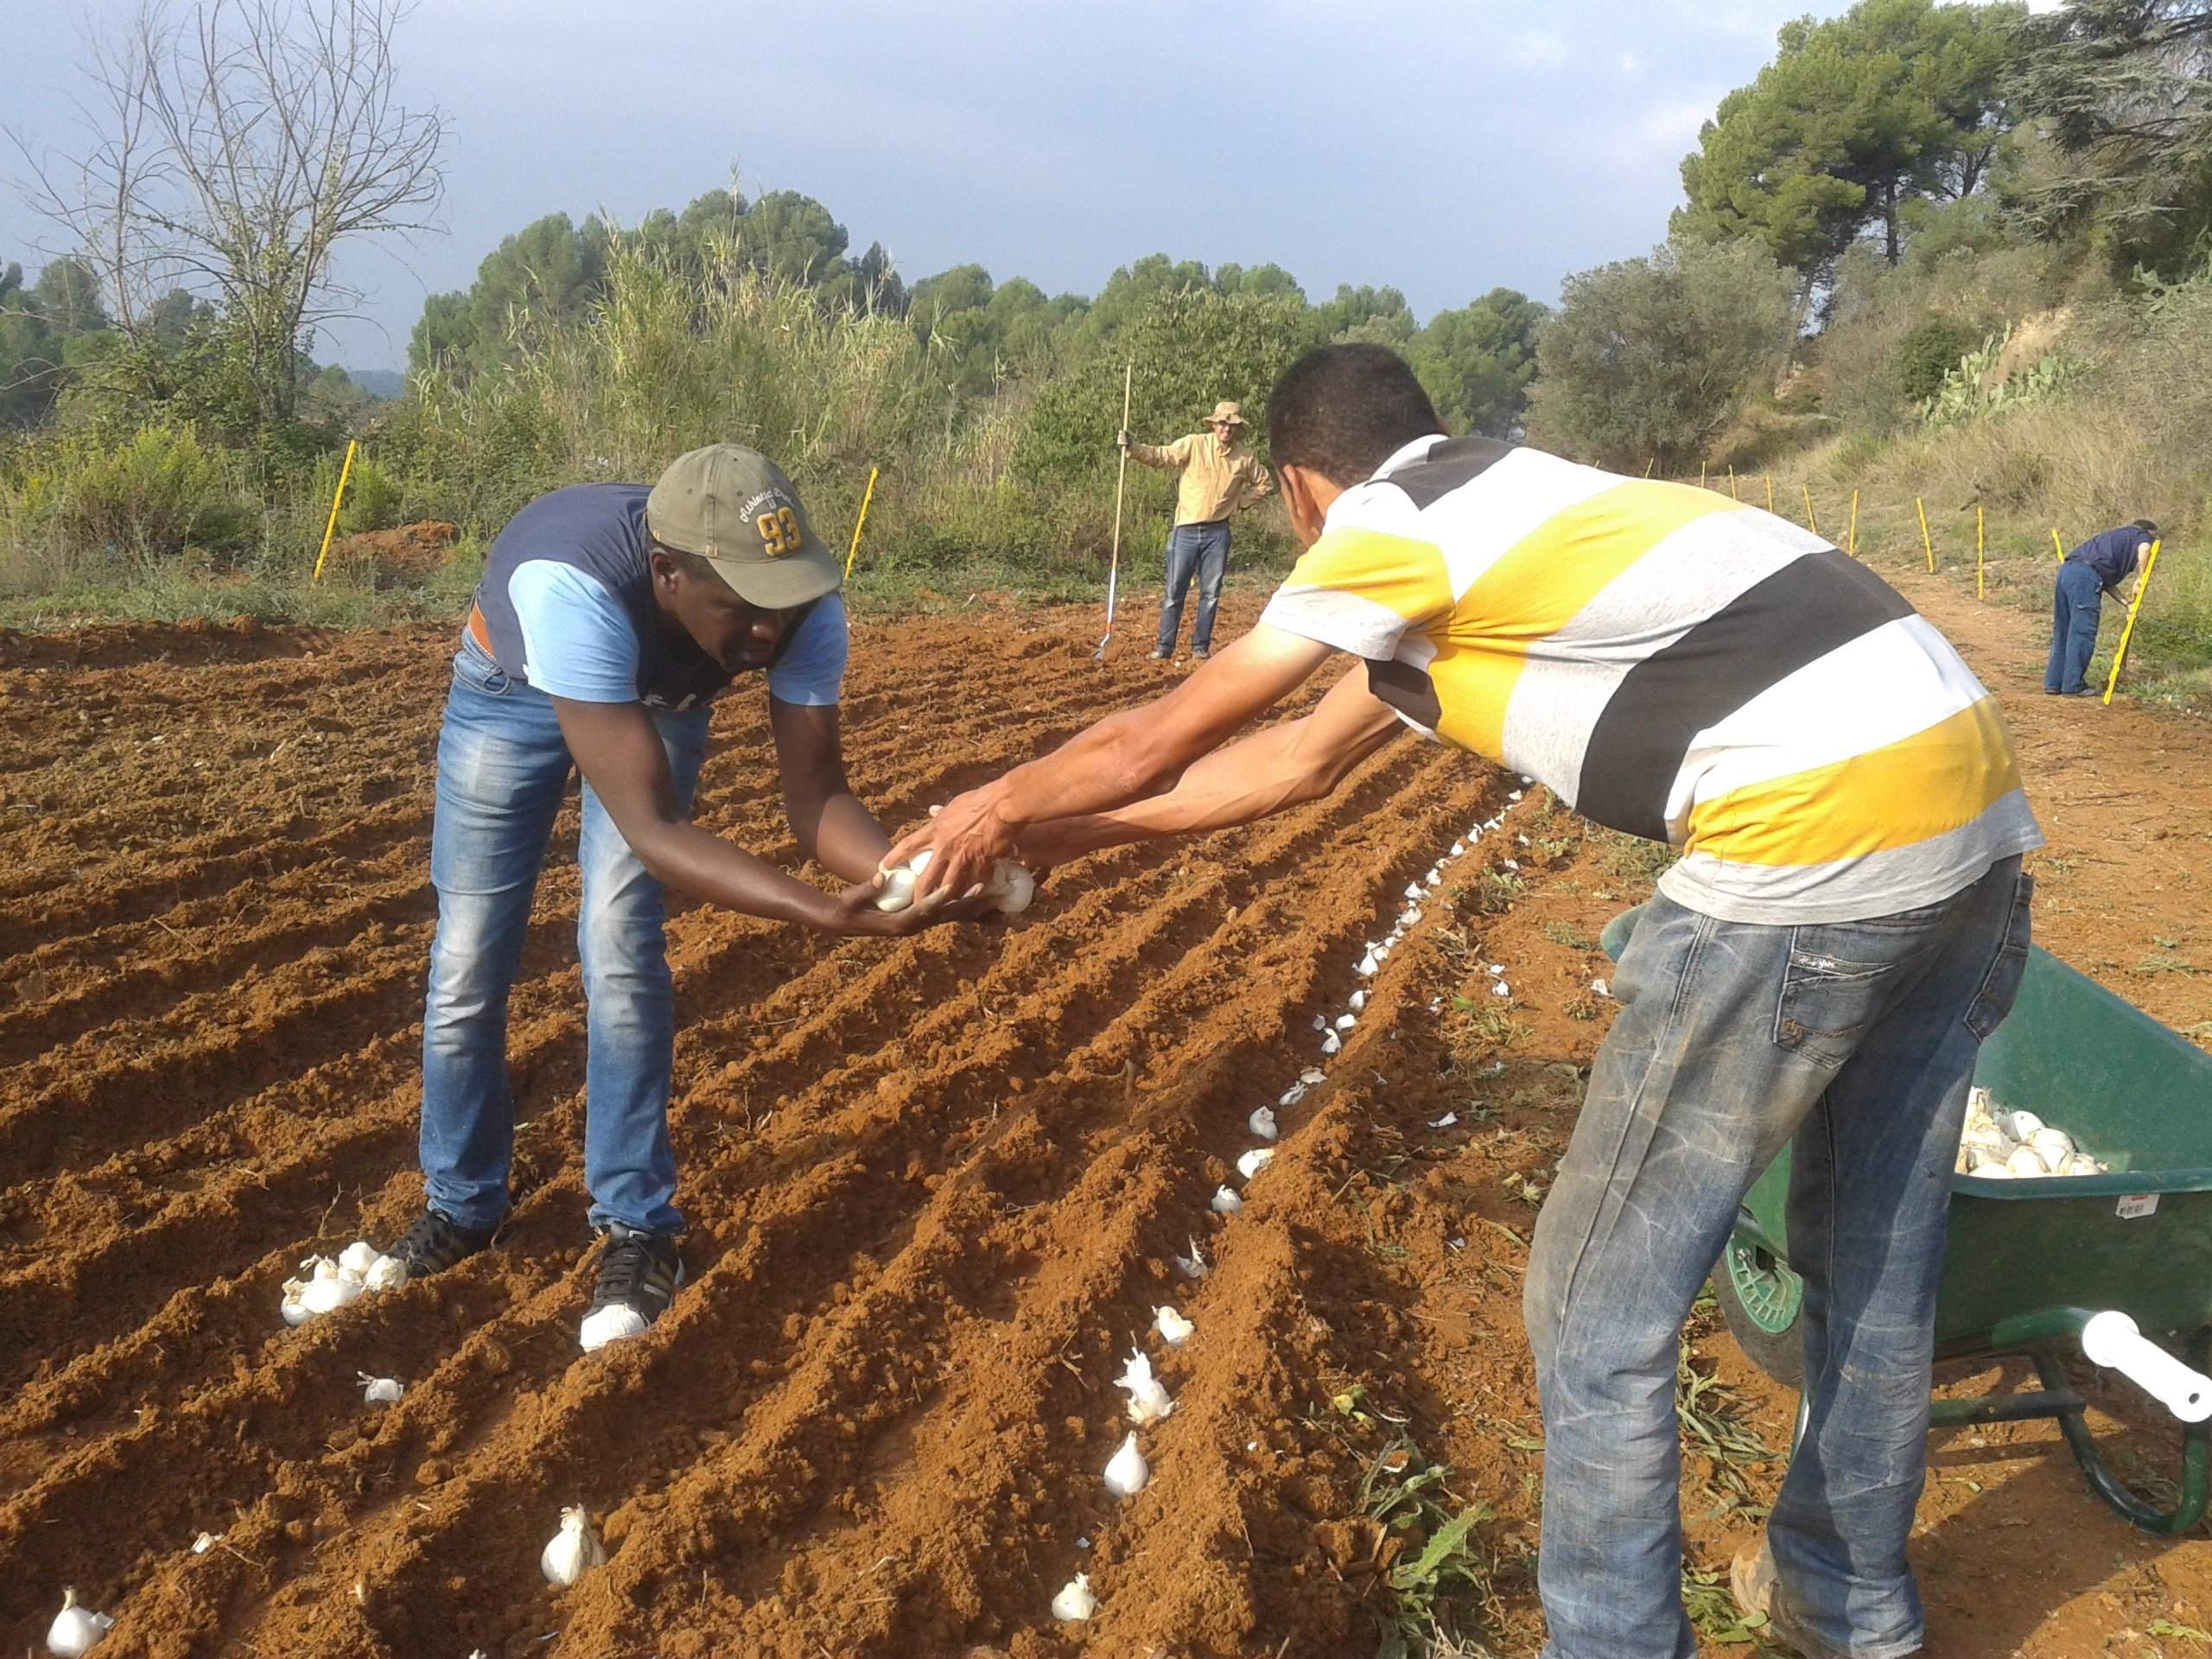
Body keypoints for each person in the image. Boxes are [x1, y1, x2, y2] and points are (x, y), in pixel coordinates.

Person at [893, 345, 2042, 1659]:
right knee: (1878, 1256)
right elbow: (1282, 769)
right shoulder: (1509, 530)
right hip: (1978, 830)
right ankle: (1849, 1610)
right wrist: (1051, 847)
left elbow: (1161, 738)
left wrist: (980, 815)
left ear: (1296, 490)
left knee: (1594, 1308)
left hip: (1810, 847)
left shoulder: (1396, 519)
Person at [390, 445, 960, 1352]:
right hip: (511, 693)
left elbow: (816, 800)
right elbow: (653, 826)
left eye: (782, 603)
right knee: (468, 958)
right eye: (739, 607)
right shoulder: (570, 583)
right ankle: (463, 1206)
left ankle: (636, 1224)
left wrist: (904, 876)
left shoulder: (798, 605)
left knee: (620, 945)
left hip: (660, 696)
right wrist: (817, 911)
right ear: (667, 573)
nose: (768, 632)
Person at [1119, 398, 1274, 660]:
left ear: (1237, 429)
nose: (1227, 429)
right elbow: (1162, 456)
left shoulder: (1245, 457)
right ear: (1214, 424)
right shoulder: (1194, 443)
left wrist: (1241, 503)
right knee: (1173, 592)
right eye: (1223, 423)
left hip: (1218, 533)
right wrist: (1132, 447)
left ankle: (1200, 648)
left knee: (1211, 594)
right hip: (1186, 531)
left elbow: (1265, 484)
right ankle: (1164, 648)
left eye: (1232, 425)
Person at [2046, 518, 2157, 696]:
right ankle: (2073, 685)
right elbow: (2145, 548)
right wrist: (2141, 578)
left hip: (2067, 571)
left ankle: (2054, 683)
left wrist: (2125, 603)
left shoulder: (2115, 539)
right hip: (2084, 577)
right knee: (2082, 631)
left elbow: (2105, 581)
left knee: (2063, 630)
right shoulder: (2142, 536)